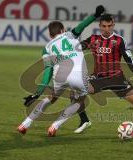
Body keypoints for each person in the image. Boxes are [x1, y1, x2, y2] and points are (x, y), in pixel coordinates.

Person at [74, 14, 133, 136]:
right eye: (104, 26)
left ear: (113, 25)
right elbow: (80, 46)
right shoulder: (93, 39)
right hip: (98, 77)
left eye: (109, 26)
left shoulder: (119, 40)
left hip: (116, 78)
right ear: (99, 26)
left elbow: (128, 56)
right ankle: (84, 121)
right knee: (76, 93)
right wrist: (77, 47)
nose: (107, 29)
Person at [17, 5, 105, 136]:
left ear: (50, 34)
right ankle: (54, 126)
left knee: (51, 98)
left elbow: (48, 71)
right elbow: (82, 25)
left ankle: (25, 124)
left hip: (59, 77)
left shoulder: (47, 48)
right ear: (63, 30)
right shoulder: (70, 35)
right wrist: (95, 15)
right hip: (78, 76)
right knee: (80, 101)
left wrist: (37, 93)